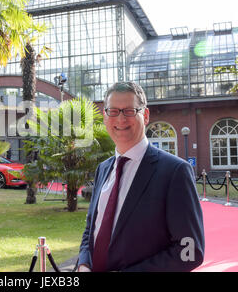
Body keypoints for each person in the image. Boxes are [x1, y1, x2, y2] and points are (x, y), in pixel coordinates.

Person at [78, 81, 204, 272]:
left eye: (129, 111)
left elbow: (190, 251)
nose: (120, 119)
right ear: (105, 117)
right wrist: (84, 264)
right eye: (113, 111)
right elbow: (91, 230)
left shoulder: (174, 172)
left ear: (145, 116)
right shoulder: (103, 169)